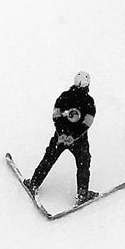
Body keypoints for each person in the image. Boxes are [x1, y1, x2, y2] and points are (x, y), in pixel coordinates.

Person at [27, 72, 98, 202]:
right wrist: (74, 136)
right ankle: (82, 193)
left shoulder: (64, 96)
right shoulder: (89, 101)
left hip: (60, 137)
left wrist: (62, 133)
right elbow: (87, 122)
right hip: (79, 140)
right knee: (83, 163)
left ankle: (34, 183)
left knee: (49, 158)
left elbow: (56, 115)